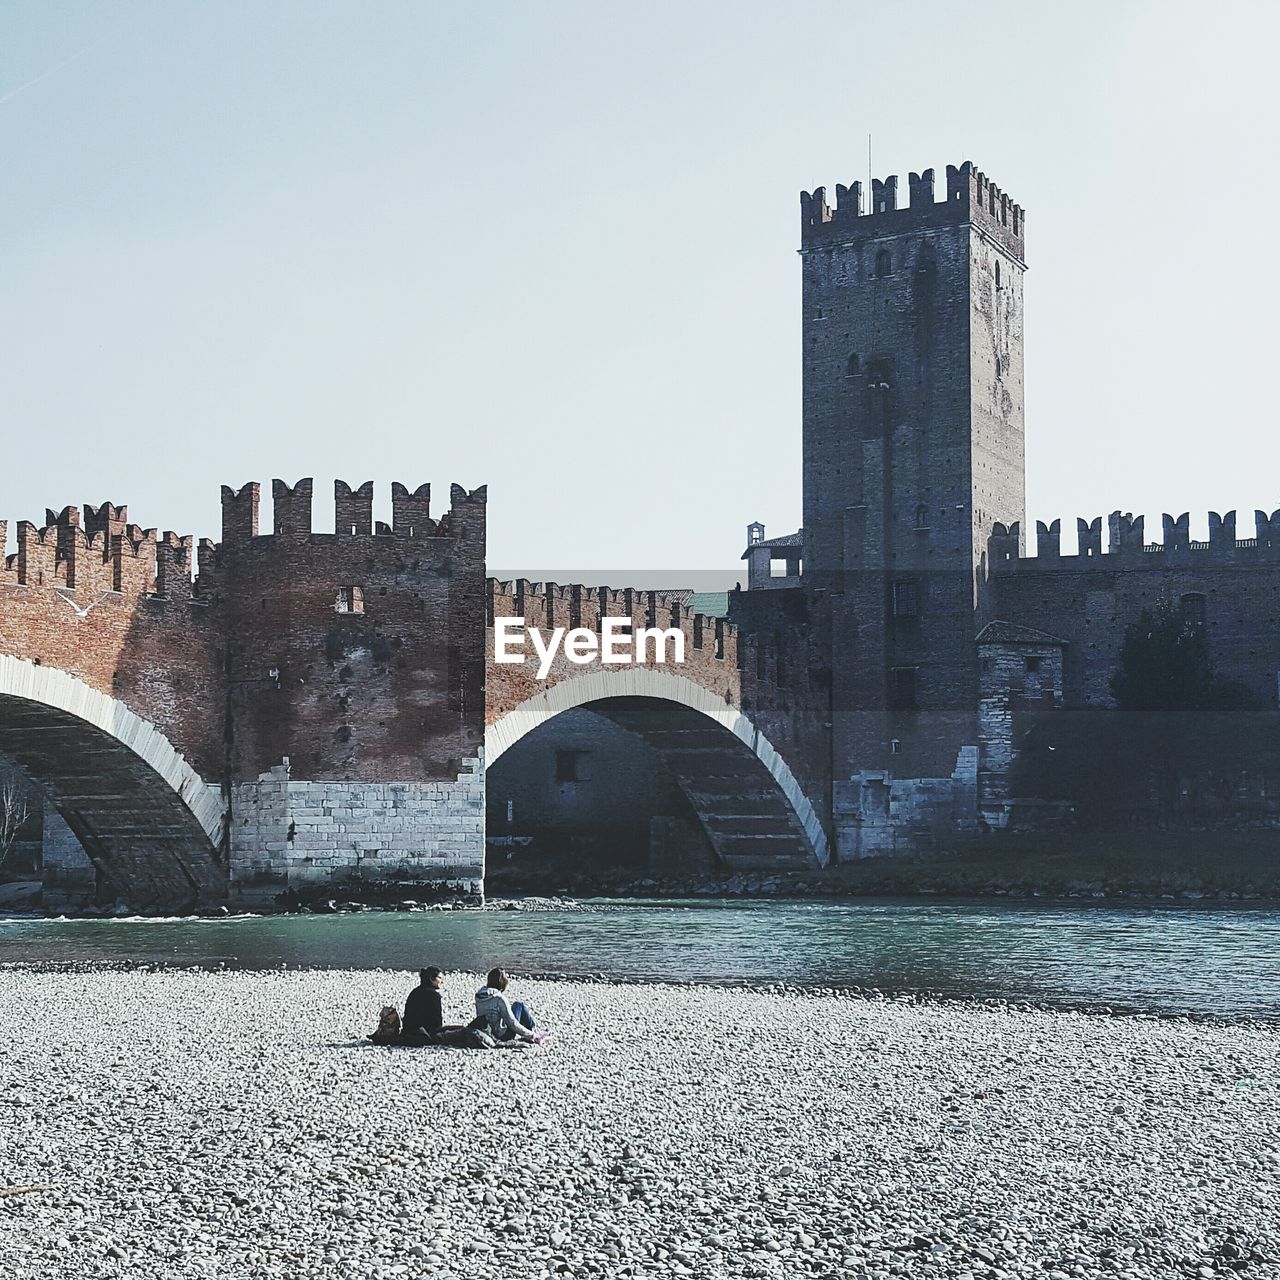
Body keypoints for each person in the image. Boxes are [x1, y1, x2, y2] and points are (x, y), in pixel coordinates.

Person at [474, 967, 542, 1043]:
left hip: (485, 1031)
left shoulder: (479, 995)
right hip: (502, 1035)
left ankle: (531, 1032)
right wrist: (531, 1035)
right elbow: (513, 1023)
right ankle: (533, 1032)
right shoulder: (499, 998)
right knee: (519, 1005)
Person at [402, 967, 467, 1040]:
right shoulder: (434, 995)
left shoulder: (414, 992)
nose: (442, 981)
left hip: (409, 1031)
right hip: (426, 1034)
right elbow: (437, 1023)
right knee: (462, 1029)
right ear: (431, 979)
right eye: (440, 978)